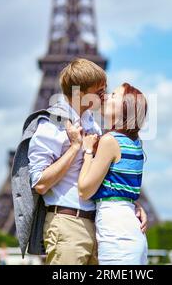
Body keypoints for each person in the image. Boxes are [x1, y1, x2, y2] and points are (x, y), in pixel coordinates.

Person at [28, 59, 148, 265]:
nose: (105, 95)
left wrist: (129, 202)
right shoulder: (51, 124)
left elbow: (104, 177)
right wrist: (75, 148)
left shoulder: (93, 127)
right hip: (68, 225)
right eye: (100, 91)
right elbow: (39, 182)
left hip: (97, 226)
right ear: (80, 93)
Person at [73, 83, 148, 264]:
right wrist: (135, 204)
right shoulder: (135, 143)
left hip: (117, 234)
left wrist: (88, 151)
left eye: (114, 95)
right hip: (129, 231)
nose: (106, 96)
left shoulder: (110, 140)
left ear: (125, 107)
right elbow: (120, 186)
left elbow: (84, 190)